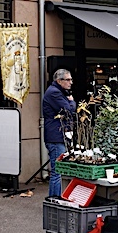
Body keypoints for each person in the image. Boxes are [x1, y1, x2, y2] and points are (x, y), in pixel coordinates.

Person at [42, 68, 76, 197]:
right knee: (57, 172)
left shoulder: (58, 92)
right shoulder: (54, 93)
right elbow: (68, 111)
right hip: (56, 137)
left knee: (59, 170)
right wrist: (71, 101)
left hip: (59, 135)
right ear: (59, 80)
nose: (71, 82)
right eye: (68, 79)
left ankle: (55, 199)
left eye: (71, 79)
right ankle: (54, 200)